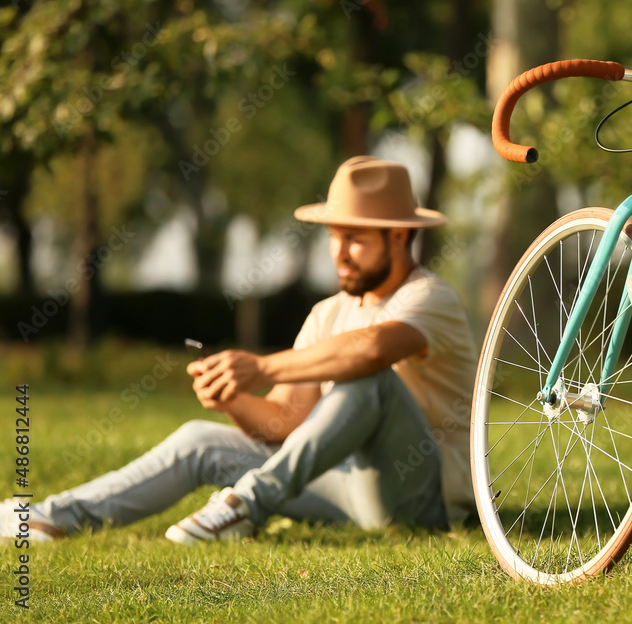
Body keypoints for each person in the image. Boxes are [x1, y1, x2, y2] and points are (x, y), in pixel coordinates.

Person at [1, 156, 477, 544]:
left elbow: (372, 349)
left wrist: (263, 365)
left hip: (420, 497)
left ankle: (244, 505)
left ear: (398, 236)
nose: (338, 251)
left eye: (354, 238)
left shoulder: (429, 297)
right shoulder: (327, 313)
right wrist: (231, 394)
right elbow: (286, 422)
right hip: (340, 489)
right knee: (197, 439)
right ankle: (52, 518)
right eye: (333, 236)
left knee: (369, 377)